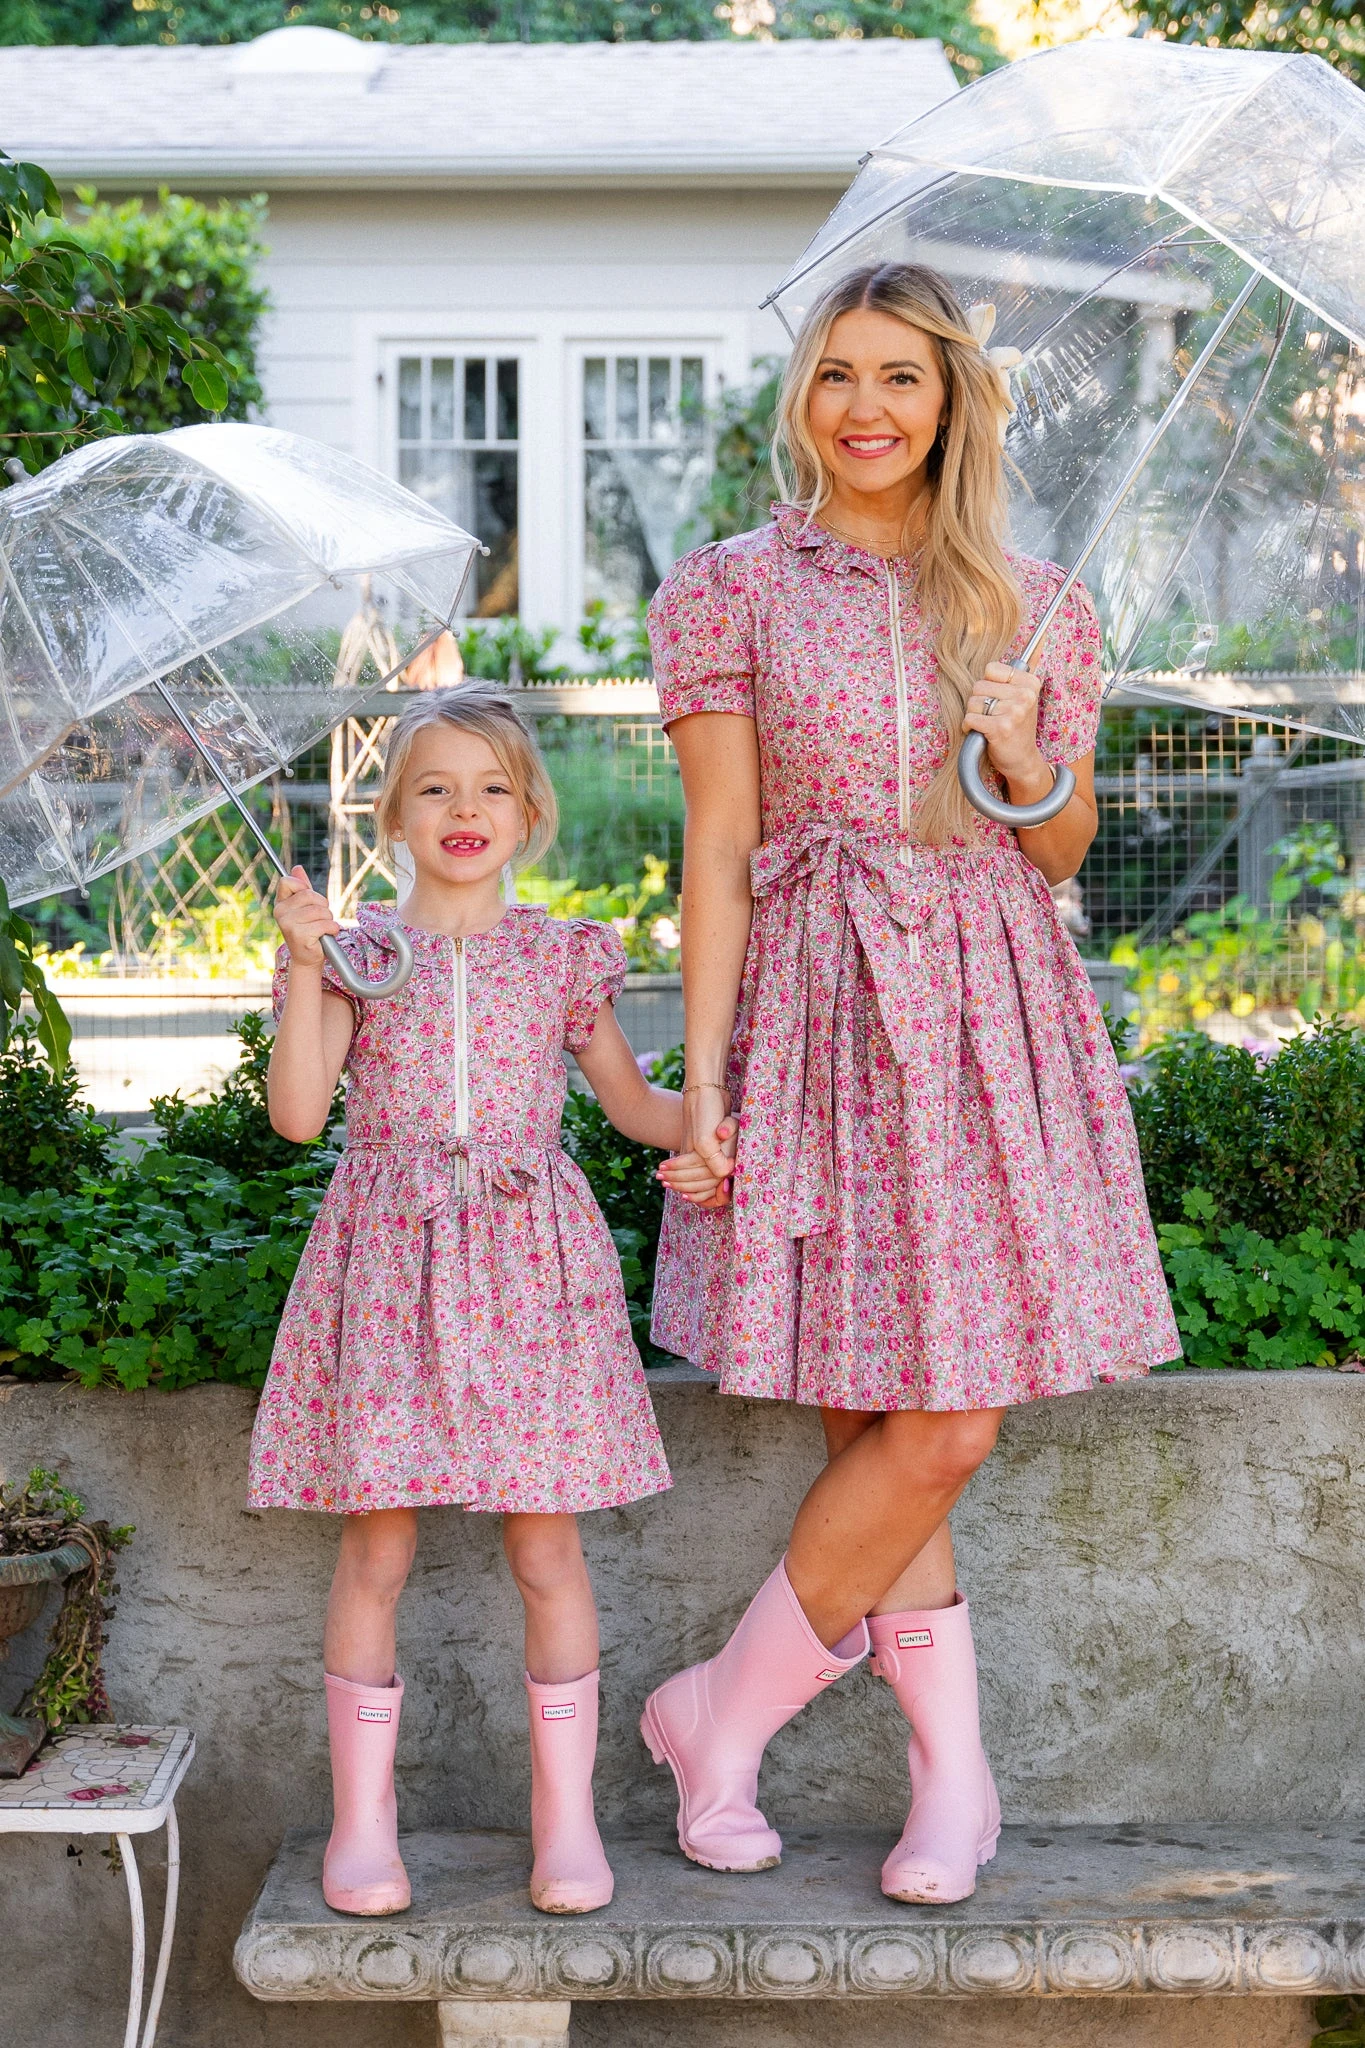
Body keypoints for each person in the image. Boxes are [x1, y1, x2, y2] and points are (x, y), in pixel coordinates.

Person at [640, 263, 1180, 1905]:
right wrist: (706, 1076)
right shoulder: (729, 588)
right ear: (803, 396)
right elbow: (719, 847)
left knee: (948, 1421)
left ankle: (719, 1716)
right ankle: (954, 1783)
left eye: (901, 378)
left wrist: (1023, 755)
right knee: (873, 1414)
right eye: (838, 374)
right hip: (819, 1002)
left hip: (989, 1017)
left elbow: (1063, 848)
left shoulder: (1037, 603)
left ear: (952, 403)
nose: (865, 408)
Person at [250, 683, 719, 1919]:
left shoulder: (561, 955)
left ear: (529, 811)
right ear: (394, 814)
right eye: (436, 787)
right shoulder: (355, 954)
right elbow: (297, 1113)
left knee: (546, 1545)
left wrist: (722, 1124)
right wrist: (304, 961)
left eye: (493, 786)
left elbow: (636, 1105)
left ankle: (565, 1823)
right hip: (389, 1265)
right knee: (378, 1542)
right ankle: (364, 1827)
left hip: (529, 1270)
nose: (466, 808)